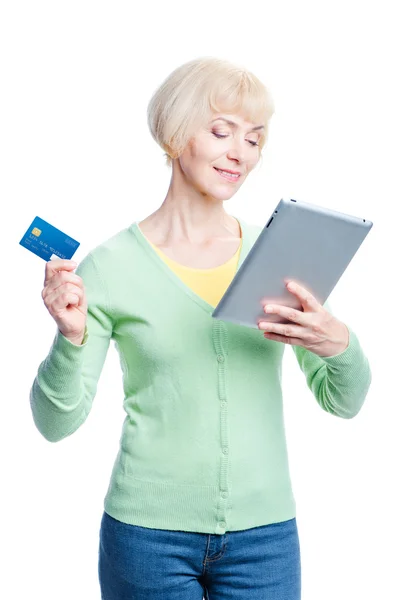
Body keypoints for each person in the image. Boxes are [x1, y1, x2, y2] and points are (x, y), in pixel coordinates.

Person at [30, 57, 372, 600]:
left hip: (266, 538)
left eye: (255, 139)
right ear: (174, 134)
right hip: (146, 538)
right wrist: (69, 339)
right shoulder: (108, 267)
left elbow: (344, 402)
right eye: (222, 132)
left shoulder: (278, 254)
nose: (241, 153)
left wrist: (339, 344)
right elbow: (56, 424)